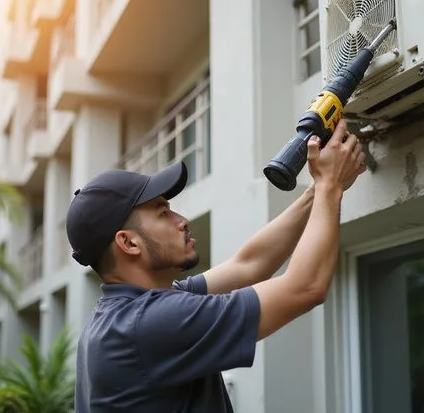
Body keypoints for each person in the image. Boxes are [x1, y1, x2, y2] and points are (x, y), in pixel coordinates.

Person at [66, 119, 367, 412]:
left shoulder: (123, 315)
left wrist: (318, 189)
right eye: (162, 214)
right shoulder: (149, 324)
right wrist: (331, 186)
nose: (182, 221)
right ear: (129, 243)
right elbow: (305, 287)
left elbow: (249, 264)